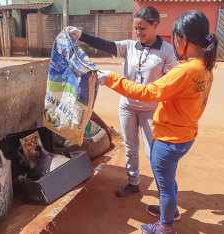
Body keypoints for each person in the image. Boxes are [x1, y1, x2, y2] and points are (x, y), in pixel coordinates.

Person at [96, 10, 218, 234]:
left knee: (165, 184)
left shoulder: (185, 70)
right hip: (185, 133)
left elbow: (149, 92)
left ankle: (165, 226)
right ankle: (170, 212)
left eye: (176, 39)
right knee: (167, 180)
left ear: (184, 40)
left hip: (170, 138)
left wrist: (111, 79)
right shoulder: (205, 65)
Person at [67, 6, 177, 197]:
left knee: (155, 152)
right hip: (127, 107)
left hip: (151, 110)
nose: (138, 32)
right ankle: (133, 182)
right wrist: (81, 35)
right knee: (131, 147)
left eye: (142, 28)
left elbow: (168, 86)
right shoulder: (130, 46)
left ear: (155, 25)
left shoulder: (167, 51)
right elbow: (106, 45)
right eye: (135, 28)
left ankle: (164, 191)